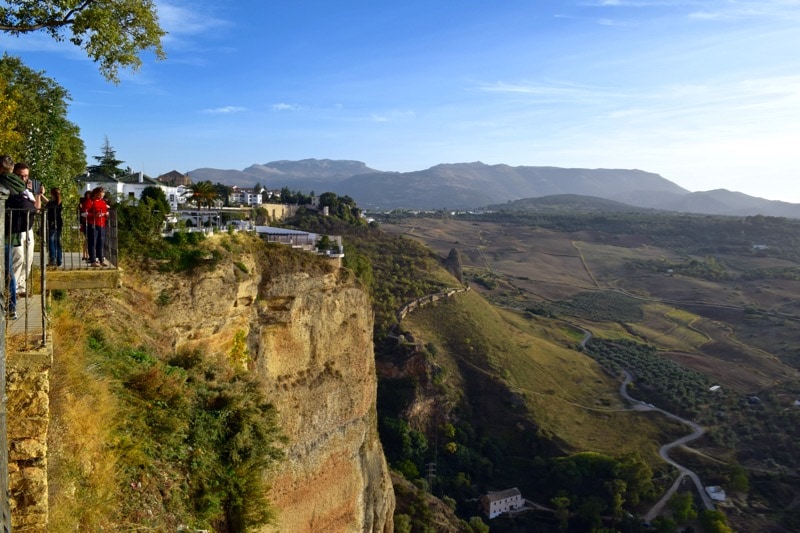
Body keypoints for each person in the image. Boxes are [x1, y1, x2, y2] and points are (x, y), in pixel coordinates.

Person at [0, 155, 34, 320]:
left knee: (7, 271)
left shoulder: (2, 182)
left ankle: (8, 307)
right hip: (13, 234)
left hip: (2, 234)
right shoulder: (22, 186)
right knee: (9, 272)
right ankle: (11, 308)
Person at [12, 163, 45, 296]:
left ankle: (21, 287)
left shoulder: (28, 190)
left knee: (28, 258)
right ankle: (12, 288)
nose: (23, 179)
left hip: (28, 227)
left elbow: (37, 208)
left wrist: (37, 194)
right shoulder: (12, 188)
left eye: (26, 176)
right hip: (16, 228)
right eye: (20, 175)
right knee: (18, 258)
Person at [86, 187, 109, 267]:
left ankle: (101, 260)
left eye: (102, 195)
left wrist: (106, 214)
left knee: (101, 243)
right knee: (92, 243)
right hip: (93, 224)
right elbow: (85, 213)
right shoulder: (90, 201)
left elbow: (105, 210)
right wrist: (94, 215)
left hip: (102, 224)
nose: (101, 197)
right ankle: (93, 261)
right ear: (95, 194)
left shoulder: (102, 201)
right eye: (99, 195)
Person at [46, 187, 63, 267]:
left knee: (51, 242)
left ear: (52, 194)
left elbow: (47, 205)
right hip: (58, 223)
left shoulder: (51, 203)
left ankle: (52, 259)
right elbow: (48, 202)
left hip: (52, 223)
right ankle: (59, 259)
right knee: (57, 242)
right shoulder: (59, 202)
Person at [79, 190, 91, 261]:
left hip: (84, 223)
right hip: (87, 223)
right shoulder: (88, 202)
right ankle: (87, 255)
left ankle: (85, 255)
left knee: (86, 240)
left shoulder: (83, 202)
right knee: (88, 240)